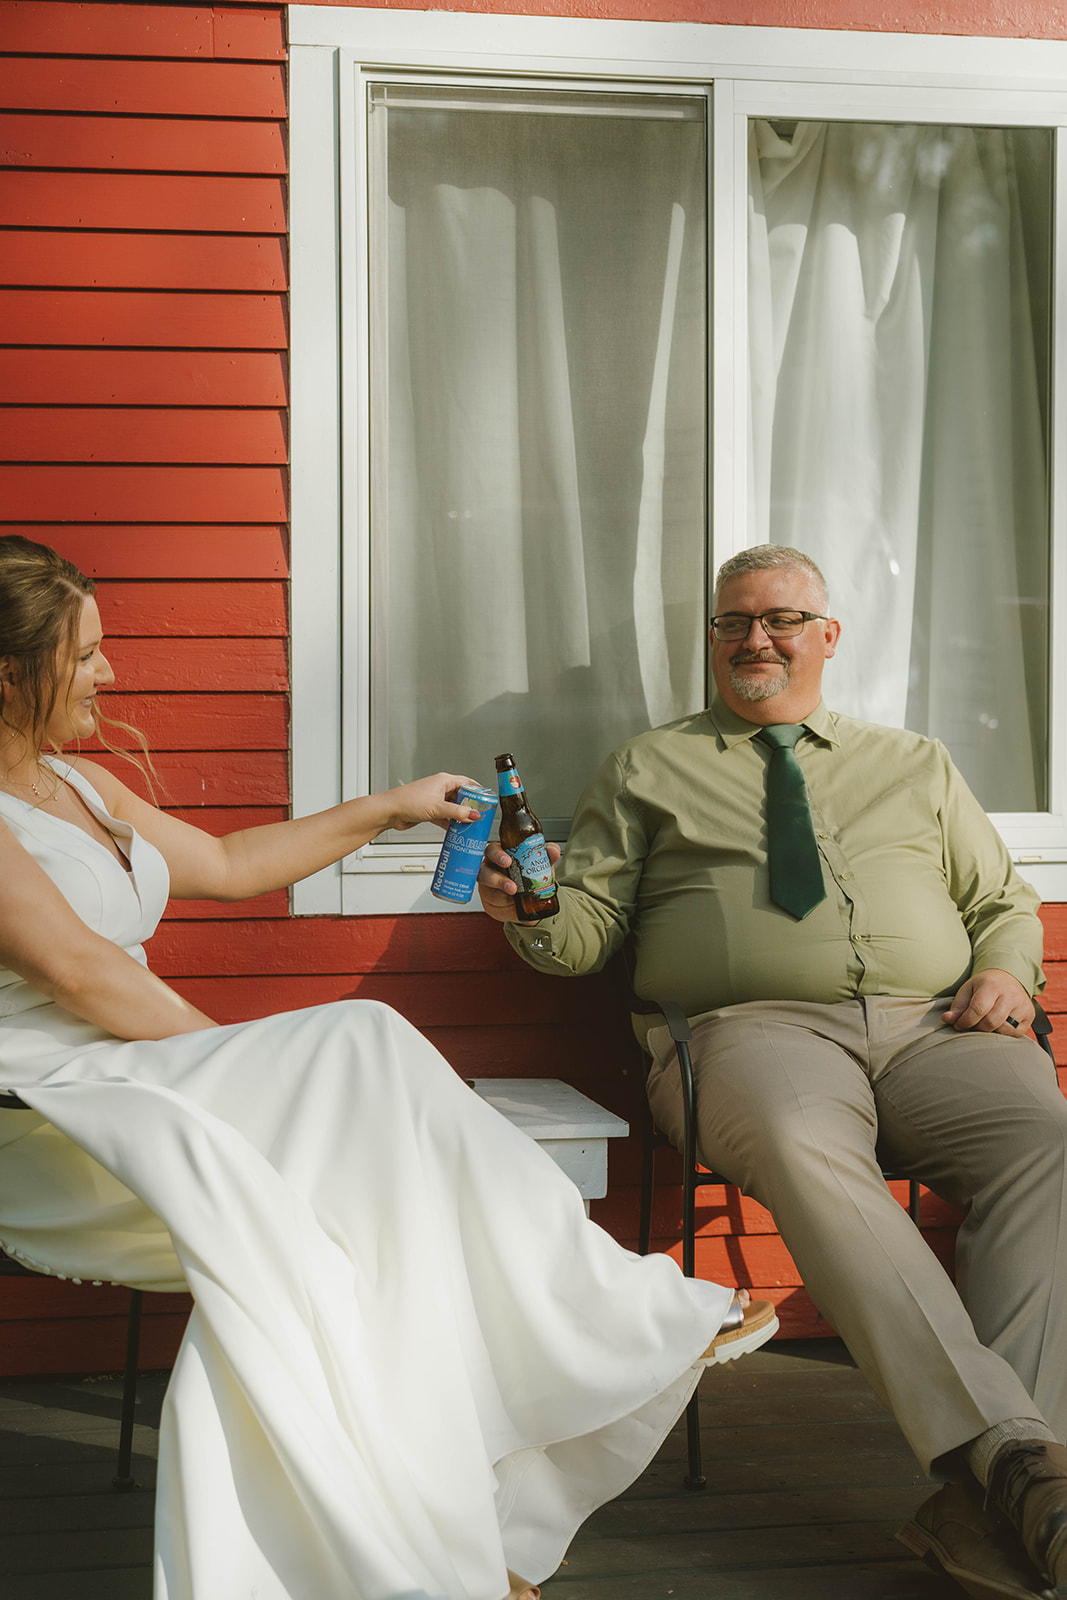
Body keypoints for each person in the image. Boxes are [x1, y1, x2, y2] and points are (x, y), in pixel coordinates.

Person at [0, 535, 780, 1600]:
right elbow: (79, 972)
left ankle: (460, 1540)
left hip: (149, 1069)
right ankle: (610, 1319)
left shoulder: (77, 786)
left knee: (394, 1217)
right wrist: (230, 1062)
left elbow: (228, 865)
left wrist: (387, 808)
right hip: (52, 1113)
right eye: (85, 655)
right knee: (356, 1045)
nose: (110, 673)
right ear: (9, 671)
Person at [480, 543, 1067, 1600]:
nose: (755, 639)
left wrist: (1004, 976)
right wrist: (528, 910)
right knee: (807, 1146)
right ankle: (1021, 1466)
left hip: (932, 1026)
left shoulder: (915, 764)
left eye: (781, 619)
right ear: (709, 639)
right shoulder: (647, 767)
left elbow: (1001, 903)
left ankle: (1002, 1489)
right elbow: (583, 935)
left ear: (825, 636)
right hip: (744, 1033)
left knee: (1045, 1138)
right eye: (731, 623)